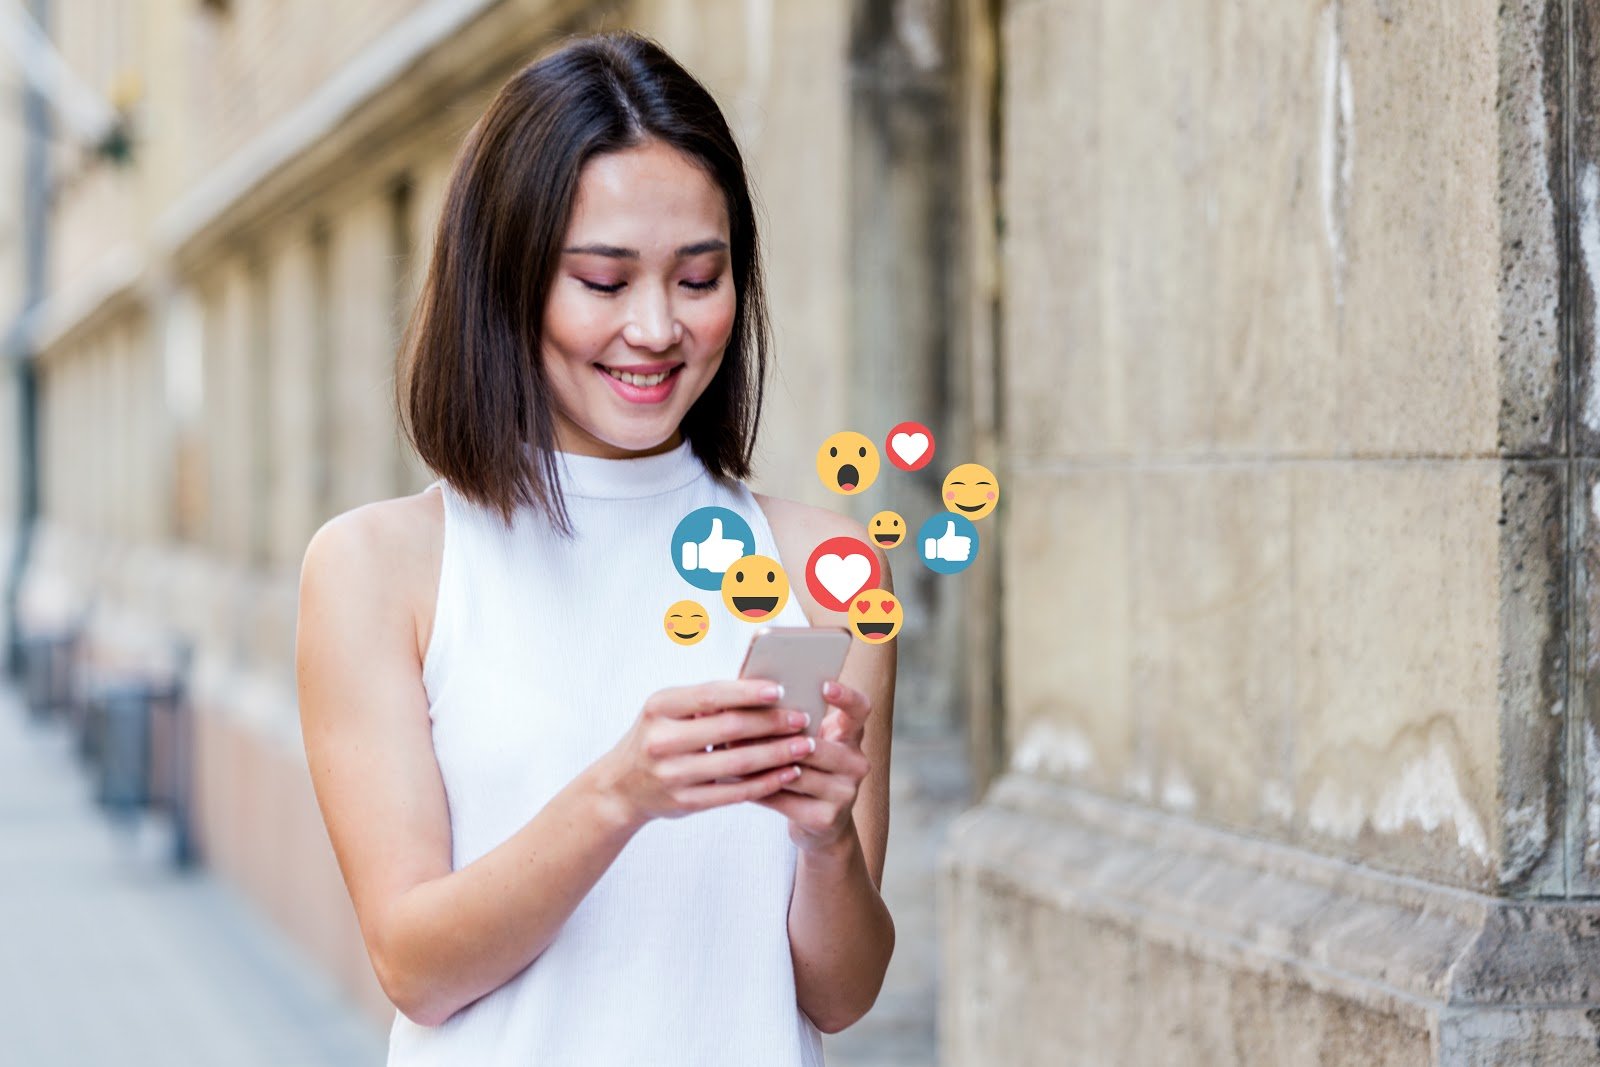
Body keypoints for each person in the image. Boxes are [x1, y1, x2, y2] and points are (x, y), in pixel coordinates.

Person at [294, 30, 896, 1066]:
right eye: (604, 282)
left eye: (698, 279)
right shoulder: (379, 568)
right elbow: (416, 965)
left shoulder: (825, 569)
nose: (658, 328)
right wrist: (621, 790)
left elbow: (839, 995)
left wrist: (825, 838)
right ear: (508, 282)